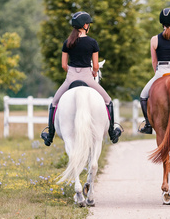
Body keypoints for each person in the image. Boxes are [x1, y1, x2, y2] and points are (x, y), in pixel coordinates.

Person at [40, 11, 122, 146]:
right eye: (88, 24)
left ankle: (49, 135)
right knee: (108, 101)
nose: (89, 26)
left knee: (54, 103)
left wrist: (72, 72)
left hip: (70, 78)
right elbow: (96, 66)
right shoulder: (92, 43)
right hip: (87, 77)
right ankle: (112, 133)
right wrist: (94, 73)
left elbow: (63, 65)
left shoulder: (67, 42)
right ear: (85, 25)